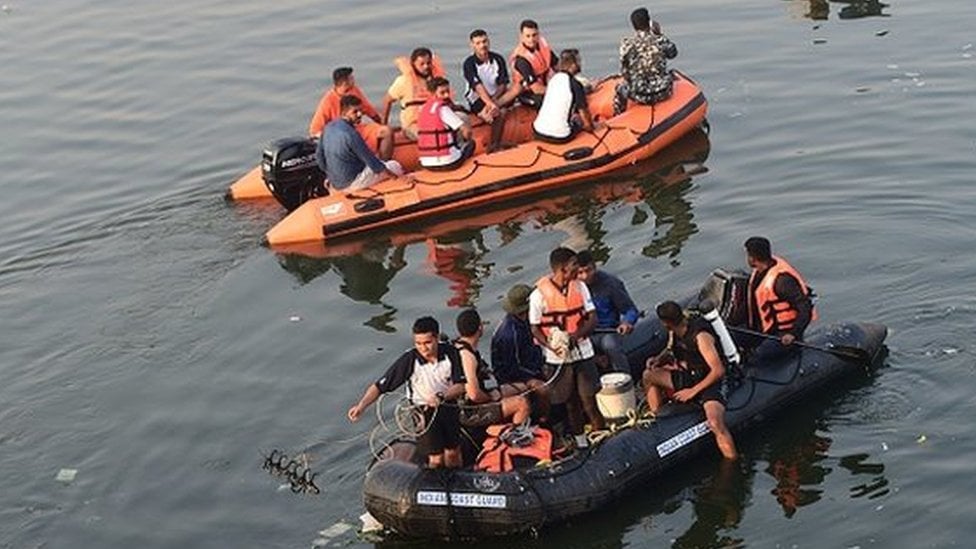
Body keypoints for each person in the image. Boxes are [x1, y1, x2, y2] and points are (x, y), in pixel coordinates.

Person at [347, 316, 466, 469]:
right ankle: (435, 485)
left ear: (436, 338)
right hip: (424, 412)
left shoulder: (451, 353)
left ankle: (456, 482)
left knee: (453, 452)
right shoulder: (410, 360)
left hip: (448, 406)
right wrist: (361, 406)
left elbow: (461, 385)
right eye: (418, 343)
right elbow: (380, 386)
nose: (423, 348)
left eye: (428, 343)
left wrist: (442, 396)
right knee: (436, 458)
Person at [642, 301, 738, 460]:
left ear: (666, 323)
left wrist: (693, 391)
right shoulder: (674, 332)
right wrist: (659, 359)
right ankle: (657, 420)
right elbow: (672, 350)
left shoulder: (700, 336)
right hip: (691, 375)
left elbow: (718, 370)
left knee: (715, 423)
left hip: (711, 380)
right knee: (648, 376)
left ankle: (733, 461)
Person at [529, 247, 605, 447]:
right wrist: (551, 346)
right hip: (558, 357)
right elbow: (535, 329)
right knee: (571, 403)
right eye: (573, 265)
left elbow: (592, 318)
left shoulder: (579, 287)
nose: (577, 269)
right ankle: (581, 442)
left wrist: (576, 335)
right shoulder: (538, 296)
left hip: (583, 350)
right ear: (562, 269)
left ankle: (601, 435)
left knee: (589, 399)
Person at [738, 236, 817, 364]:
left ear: (752, 258)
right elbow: (751, 304)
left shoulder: (782, 281)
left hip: (783, 335)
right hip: (762, 330)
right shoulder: (758, 272)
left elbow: (805, 306)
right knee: (731, 338)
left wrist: (793, 333)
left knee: (758, 356)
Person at [454, 309, 532, 427]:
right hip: (471, 411)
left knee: (523, 388)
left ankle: (517, 424)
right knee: (521, 403)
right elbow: (474, 394)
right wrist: (490, 398)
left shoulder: (457, 346)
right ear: (480, 327)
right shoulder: (468, 356)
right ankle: (516, 438)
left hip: (473, 400)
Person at [315, 95, 404, 191]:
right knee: (395, 165)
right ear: (344, 112)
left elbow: (319, 157)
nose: (360, 114)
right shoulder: (351, 134)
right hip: (352, 183)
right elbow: (374, 165)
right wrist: (397, 178)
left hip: (336, 183)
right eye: (355, 112)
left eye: (361, 111)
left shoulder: (328, 128)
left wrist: (330, 175)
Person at [490, 284, 551, 417]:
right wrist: (537, 374)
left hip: (530, 363)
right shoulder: (510, 334)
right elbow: (513, 367)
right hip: (513, 376)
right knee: (543, 389)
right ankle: (544, 419)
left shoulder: (525, 322)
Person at [308, 66, 394, 160]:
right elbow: (315, 130)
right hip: (341, 136)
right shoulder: (327, 102)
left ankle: (384, 163)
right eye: (352, 78)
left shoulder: (354, 90)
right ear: (345, 82)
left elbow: (368, 109)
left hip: (358, 129)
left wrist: (381, 123)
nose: (354, 80)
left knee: (386, 131)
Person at [576, 251, 640, 374]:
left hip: (607, 331)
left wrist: (627, 322)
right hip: (584, 334)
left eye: (588, 270)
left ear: (594, 267)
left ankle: (625, 379)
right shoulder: (573, 288)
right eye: (580, 273)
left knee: (611, 346)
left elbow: (630, 310)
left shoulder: (611, 284)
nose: (585, 276)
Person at [463, 29, 522, 152]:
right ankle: (494, 144)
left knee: (518, 88)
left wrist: (494, 100)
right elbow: (477, 87)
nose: (482, 45)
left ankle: (492, 110)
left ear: (488, 42)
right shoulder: (469, 63)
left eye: (484, 41)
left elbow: (502, 84)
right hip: (478, 98)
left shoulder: (497, 59)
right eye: (478, 43)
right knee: (500, 113)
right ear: (472, 45)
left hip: (496, 96)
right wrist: (489, 104)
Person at [613, 7, 678, 115]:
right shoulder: (659, 40)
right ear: (649, 22)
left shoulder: (626, 45)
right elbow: (673, 53)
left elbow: (625, 71)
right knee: (671, 73)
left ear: (633, 26)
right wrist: (659, 34)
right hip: (662, 92)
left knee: (620, 89)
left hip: (639, 95)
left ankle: (618, 117)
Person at [381, 47, 447, 140]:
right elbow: (386, 101)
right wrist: (383, 126)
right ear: (413, 64)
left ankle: (461, 149)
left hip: (436, 118)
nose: (426, 67)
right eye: (422, 64)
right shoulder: (404, 81)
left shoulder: (437, 80)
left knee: (461, 121)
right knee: (427, 135)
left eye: (428, 63)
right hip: (413, 124)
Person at [532, 49, 596, 144]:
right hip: (560, 136)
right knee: (578, 122)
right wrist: (591, 127)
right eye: (579, 61)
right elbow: (585, 116)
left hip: (538, 131)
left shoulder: (553, 79)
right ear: (573, 65)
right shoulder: (575, 84)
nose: (580, 64)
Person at [417, 77, 474, 170]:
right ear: (433, 93)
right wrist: (467, 139)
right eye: (442, 93)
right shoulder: (443, 109)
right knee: (471, 144)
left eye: (448, 91)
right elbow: (466, 130)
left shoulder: (422, 109)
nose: (447, 95)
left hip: (427, 164)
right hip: (449, 162)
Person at [509, 19, 558, 107]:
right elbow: (536, 89)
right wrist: (558, 91)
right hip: (528, 93)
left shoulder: (543, 47)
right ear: (521, 37)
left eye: (534, 35)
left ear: (538, 34)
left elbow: (558, 67)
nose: (531, 39)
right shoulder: (521, 59)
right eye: (528, 36)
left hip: (545, 85)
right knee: (543, 100)